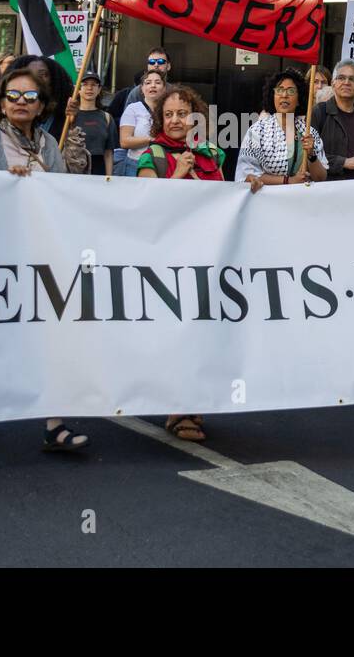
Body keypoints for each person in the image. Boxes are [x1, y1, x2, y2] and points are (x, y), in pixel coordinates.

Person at [0, 69, 90, 450]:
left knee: (49, 335)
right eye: (14, 95)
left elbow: (61, 191)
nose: (21, 102)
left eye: (31, 97)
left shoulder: (49, 144)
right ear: (1, 101)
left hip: (41, 251)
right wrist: (4, 181)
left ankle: (54, 424)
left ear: (42, 106)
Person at [136, 85, 224, 442]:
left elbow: (224, 198)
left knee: (202, 330)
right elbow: (144, 207)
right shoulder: (151, 156)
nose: (176, 120)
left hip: (207, 253)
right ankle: (177, 407)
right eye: (169, 114)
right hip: (169, 257)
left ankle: (193, 400)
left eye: (182, 114)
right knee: (178, 330)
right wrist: (176, 175)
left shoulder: (211, 154)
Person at [235, 69, 327, 189]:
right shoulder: (257, 131)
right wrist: (288, 181)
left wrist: (312, 155)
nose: (284, 95)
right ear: (273, 97)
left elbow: (321, 178)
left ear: (299, 99)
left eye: (291, 91)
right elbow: (246, 176)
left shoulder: (309, 132)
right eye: (279, 90)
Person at [115, 68, 165, 176]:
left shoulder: (168, 110)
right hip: (135, 163)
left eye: (157, 82)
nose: (153, 85)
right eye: (148, 83)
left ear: (164, 88)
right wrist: (152, 140)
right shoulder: (132, 108)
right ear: (142, 88)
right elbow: (124, 141)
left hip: (163, 162)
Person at [72, 71, 118, 176]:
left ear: (99, 89)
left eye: (93, 85)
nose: (89, 88)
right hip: (74, 169)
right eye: (85, 84)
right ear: (78, 89)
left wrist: (109, 177)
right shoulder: (70, 117)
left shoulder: (107, 118)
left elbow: (108, 153)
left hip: (99, 170)